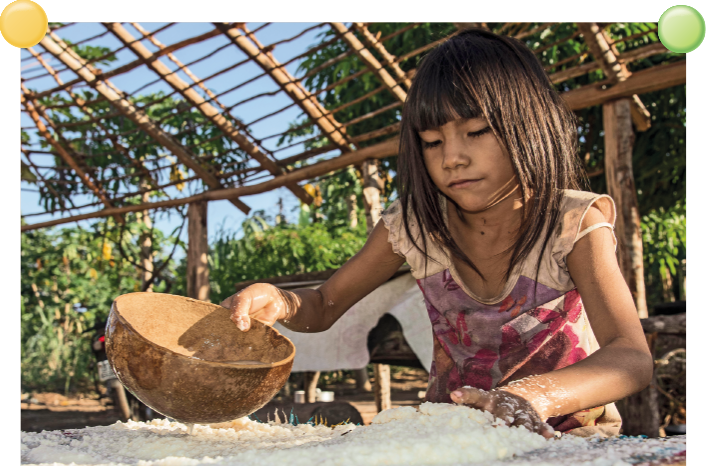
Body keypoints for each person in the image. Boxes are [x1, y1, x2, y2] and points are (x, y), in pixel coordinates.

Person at [220, 28, 653, 438]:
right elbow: (322, 305)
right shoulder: (413, 226)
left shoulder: (573, 222)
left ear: (531, 125)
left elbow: (630, 355)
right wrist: (281, 301)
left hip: (572, 438)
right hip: (452, 437)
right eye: (431, 141)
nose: (452, 159)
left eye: (476, 132)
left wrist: (532, 396)